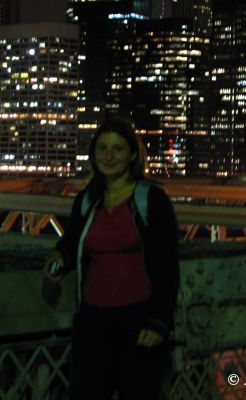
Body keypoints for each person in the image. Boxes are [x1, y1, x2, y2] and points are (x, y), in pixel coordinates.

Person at [43, 117, 180, 399]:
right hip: (92, 324)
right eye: (102, 148)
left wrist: (159, 322)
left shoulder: (151, 199)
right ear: (93, 155)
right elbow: (69, 246)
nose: (108, 156)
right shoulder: (86, 200)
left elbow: (167, 264)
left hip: (139, 324)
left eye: (117, 149)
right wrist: (54, 266)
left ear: (132, 155)